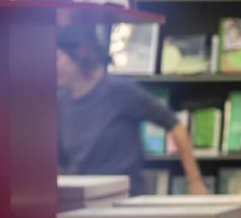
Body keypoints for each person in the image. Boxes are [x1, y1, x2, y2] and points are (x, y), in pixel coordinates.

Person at [56, 24, 207, 195]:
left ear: (79, 53)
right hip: (83, 203)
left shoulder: (119, 90)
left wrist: (194, 181)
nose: (51, 67)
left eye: (56, 59)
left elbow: (174, 125)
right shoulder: (60, 102)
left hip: (126, 200)